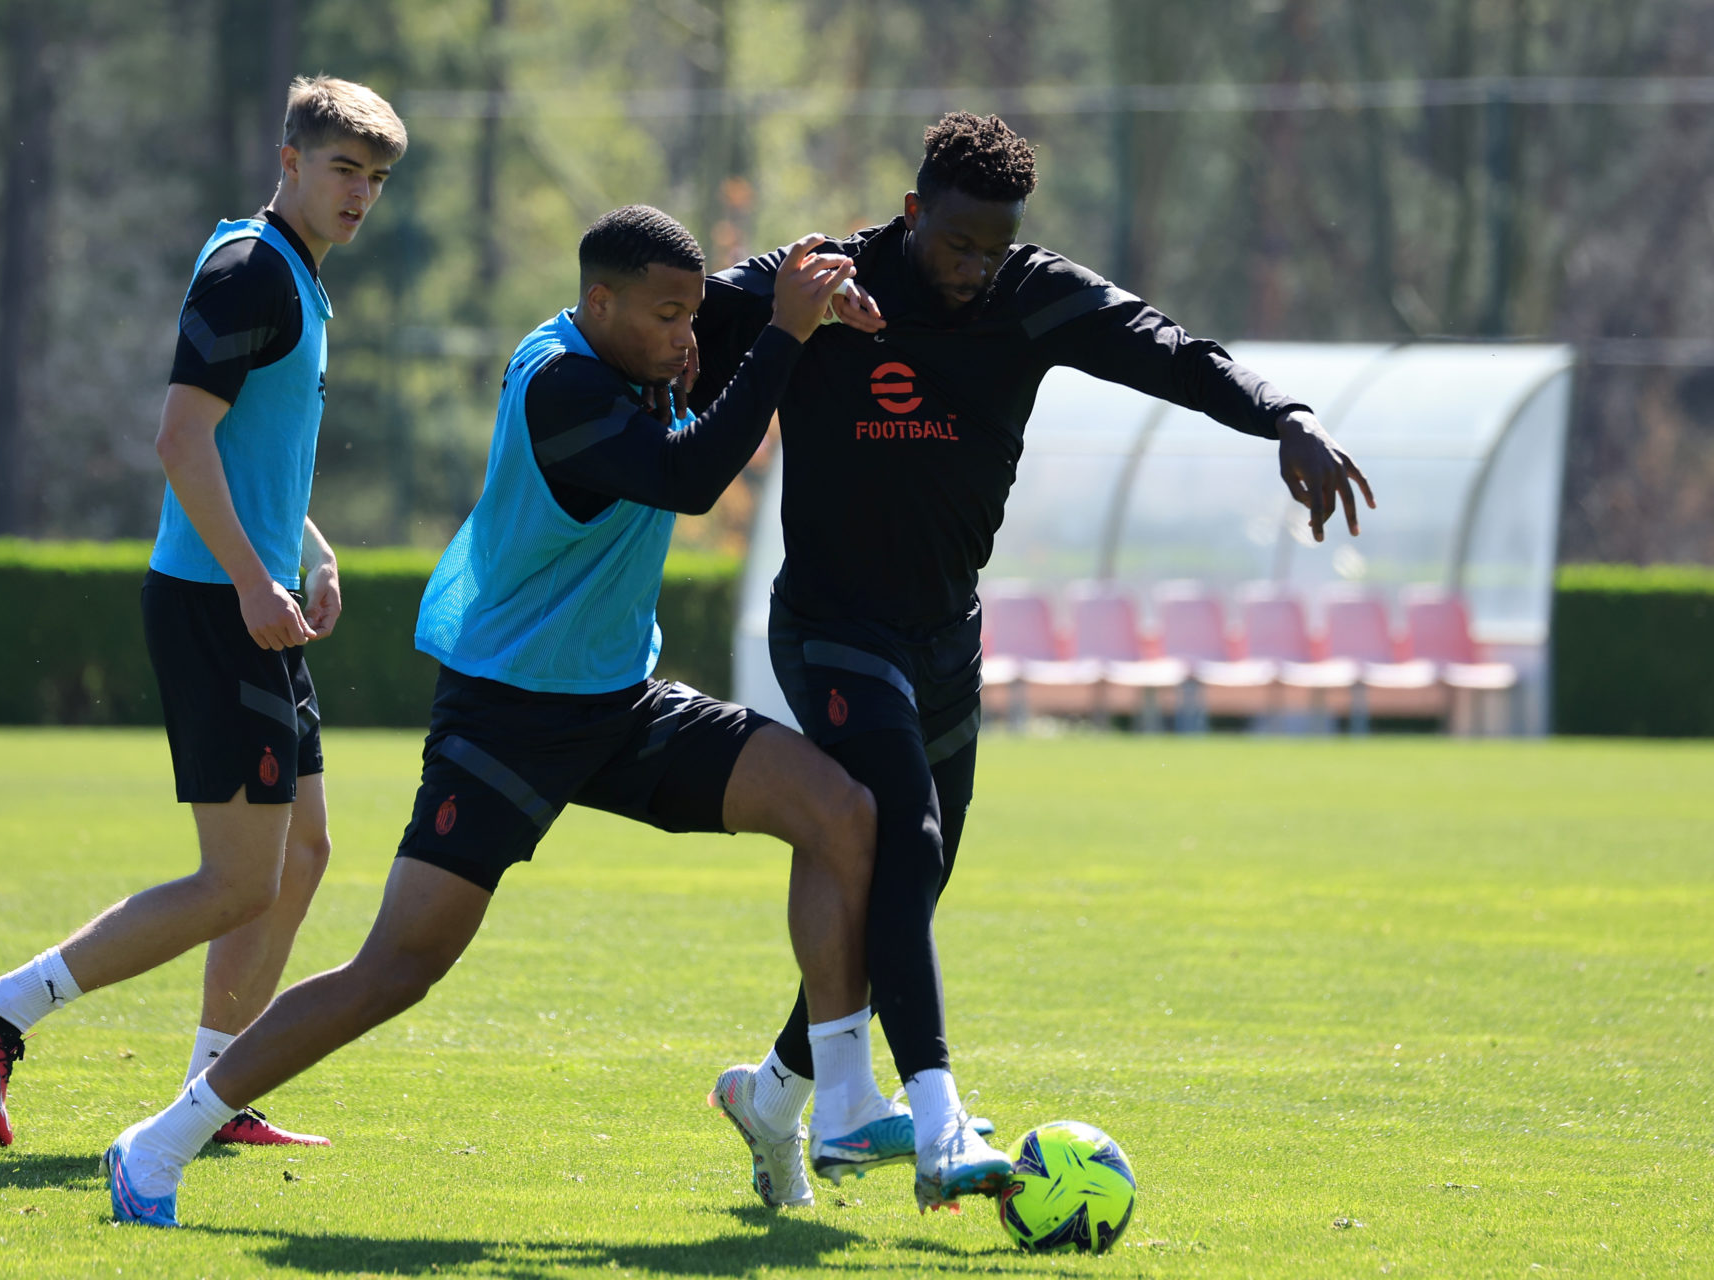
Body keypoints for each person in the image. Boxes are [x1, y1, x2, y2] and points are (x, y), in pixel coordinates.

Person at [100, 207, 883, 1227]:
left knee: (841, 810)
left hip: (618, 699)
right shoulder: (561, 382)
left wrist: (859, 257)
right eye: (666, 315)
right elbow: (691, 479)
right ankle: (158, 1142)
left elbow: (765, 274)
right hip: (508, 711)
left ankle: (815, 1102)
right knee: (399, 966)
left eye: (693, 312)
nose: (687, 335)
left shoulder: (641, 326)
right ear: (598, 301)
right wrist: (783, 334)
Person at [694, 111, 1375, 1211]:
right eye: (956, 243)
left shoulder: (1031, 292)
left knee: (913, 877)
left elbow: (1169, 348)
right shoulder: (820, 278)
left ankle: (774, 1096)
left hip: (945, 639)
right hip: (829, 625)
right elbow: (682, 308)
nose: (973, 269)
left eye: (993, 248)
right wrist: (590, 350)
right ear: (912, 212)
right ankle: (933, 1120)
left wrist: (1284, 415)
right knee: (900, 838)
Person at [0, 76, 407, 1150]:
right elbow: (180, 439)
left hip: (249, 592)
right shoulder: (252, 271)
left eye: (376, 180)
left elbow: (250, 449)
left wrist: (308, 547)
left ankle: (215, 1091)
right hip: (212, 603)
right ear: (289, 160)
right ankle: (1, 1007)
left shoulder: (294, 272)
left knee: (304, 853)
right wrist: (252, 578)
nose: (360, 196)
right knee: (239, 878)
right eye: (343, 169)